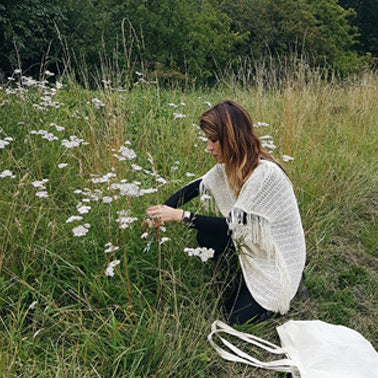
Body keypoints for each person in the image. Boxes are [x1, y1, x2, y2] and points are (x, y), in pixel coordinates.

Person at [145, 100, 306, 325]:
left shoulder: (265, 175)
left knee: (234, 318)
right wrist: (161, 211)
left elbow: (230, 225)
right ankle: (238, 272)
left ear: (231, 138)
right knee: (205, 236)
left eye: (213, 140)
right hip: (251, 243)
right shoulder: (230, 165)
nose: (208, 147)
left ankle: (293, 282)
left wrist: (180, 216)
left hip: (275, 256)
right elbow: (194, 187)